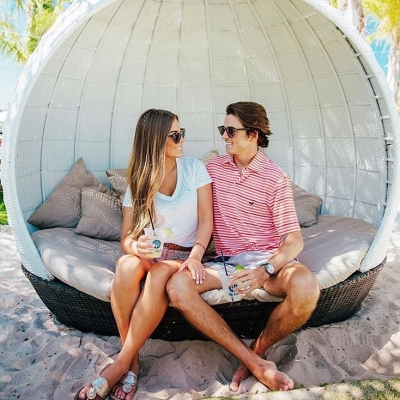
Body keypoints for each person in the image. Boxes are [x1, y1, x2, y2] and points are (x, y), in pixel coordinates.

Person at [166, 101, 320, 392]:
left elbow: (294, 241)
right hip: (227, 263)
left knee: (307, 287)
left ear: (253, 134)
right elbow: (183, 198)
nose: (224, 136)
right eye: (222, 130)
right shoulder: (212, 169)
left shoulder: (276, 178)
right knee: (177, 285)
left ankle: (257, 351)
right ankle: (253, 362)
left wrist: (265, 271)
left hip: (268, 262)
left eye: (230, 131)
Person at [75, 109, 213, 400]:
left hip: (184, 255)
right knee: (126, 265)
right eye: (174, 135)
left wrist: (196, 256)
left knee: (159, 271)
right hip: (152, 253)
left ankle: (121, 363)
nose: (181, 140)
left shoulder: (194, 169)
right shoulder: (139, 182)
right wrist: (136, 248)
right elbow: (127, 239)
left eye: (181, 133)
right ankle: (133, 359)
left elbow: (206, 223)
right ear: (154, 140)